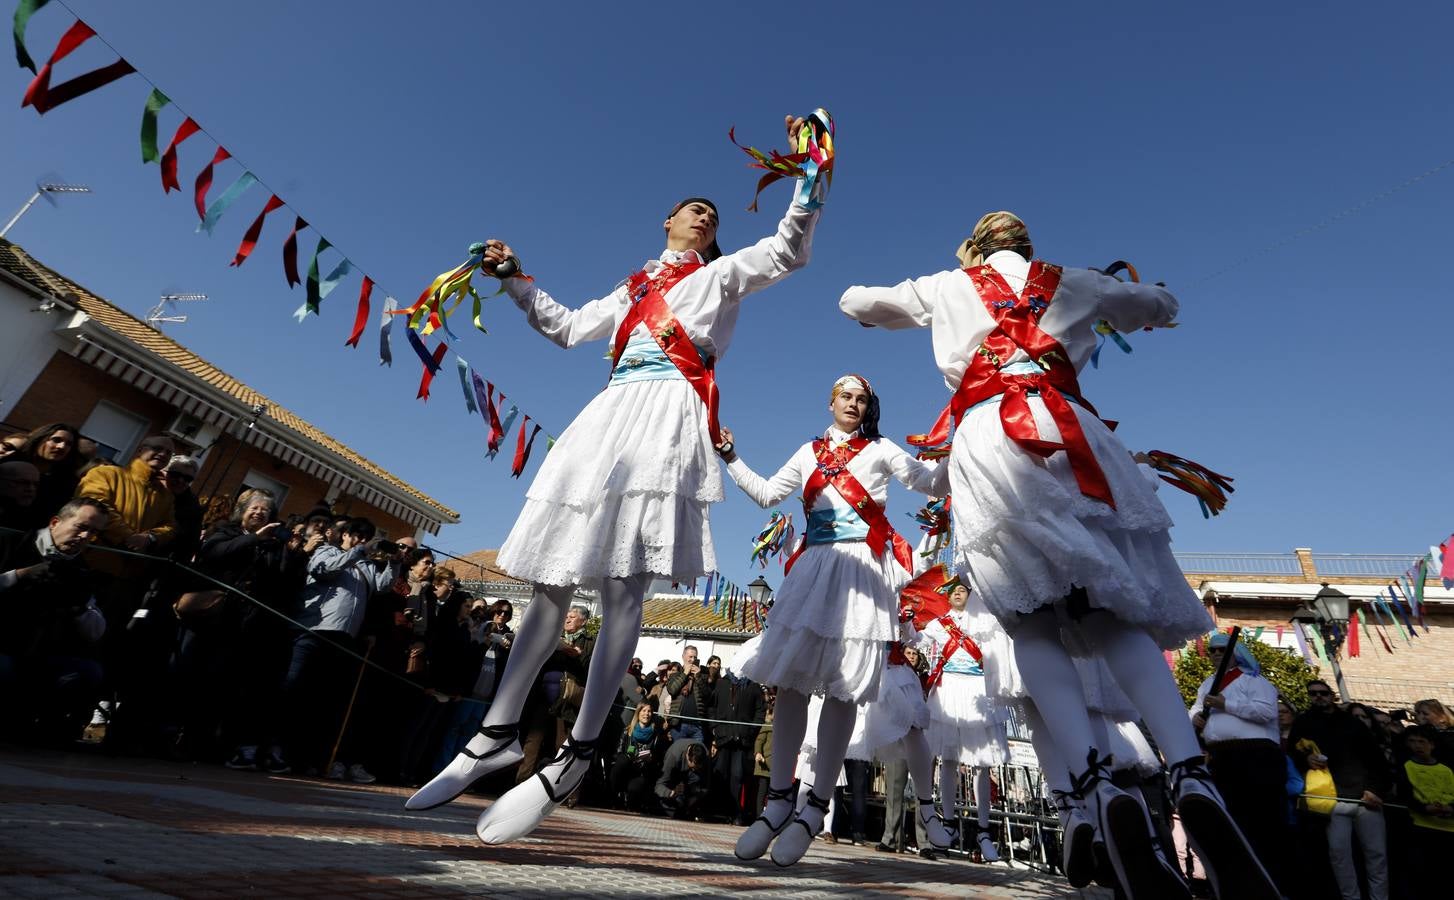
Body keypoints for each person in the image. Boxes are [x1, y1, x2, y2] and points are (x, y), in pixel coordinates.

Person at [411, 115, 828, 847]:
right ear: (667, 220)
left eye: (714, 214)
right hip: (609, 412)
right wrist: (513, 278)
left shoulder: (721, 278)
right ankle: (499, 729)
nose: (704, 215)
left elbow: (788, 250)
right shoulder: (633, 286)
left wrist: (812, 183)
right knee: (550, 571)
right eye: (693, 207)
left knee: (625, 581)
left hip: (667, 412)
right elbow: (569, 327)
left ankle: (580, 747)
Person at [839, 211, 1272, 899]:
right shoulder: (1072, 281)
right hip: (1069, 428)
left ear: (977, 247)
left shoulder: (948, 285)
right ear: (1027, 245)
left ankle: (1094, 781)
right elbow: (1162, 305)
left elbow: (856, 300)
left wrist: (907, 303)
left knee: (1030, 616)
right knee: (1109, 607)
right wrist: (1144, 295)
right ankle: (1188, 771)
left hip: (990, 438)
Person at [717, 374, 946, 866]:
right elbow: (764, 494)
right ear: (831, 401)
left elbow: (929, 482)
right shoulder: (807, 452)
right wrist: (731, 456)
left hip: (863, 570)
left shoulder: (882, 450)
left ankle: (815, 805)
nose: (854, 404)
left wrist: (964, 445)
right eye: (847, 396)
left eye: (862, 399)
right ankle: (779, 800)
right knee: (792, 683)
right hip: (814, 567)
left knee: (844, 688)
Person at [282, 517, 400, 782]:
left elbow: (383, 586)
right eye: (356, 535)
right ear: (344, 534)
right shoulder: (327, 550)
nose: (360, 541)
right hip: (315, 630)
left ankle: (309, 757)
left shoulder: (365, 564)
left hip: (345, 638)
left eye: (364, 537)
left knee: (325, 700)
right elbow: (323, 570)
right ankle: (280, 749)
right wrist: (356, 553)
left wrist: (395, 561)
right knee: (296, 691)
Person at [1188, 632, 1291, 896]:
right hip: (1222, 759)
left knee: (1263, 823)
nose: (1217, 655)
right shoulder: (1207, 684)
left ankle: (1275, 883)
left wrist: (1226, 704)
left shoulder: (1255, 681)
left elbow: (1266, 711)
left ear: (1236, 652)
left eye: (1222, 650)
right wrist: (1196, 718)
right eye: (1212, 651)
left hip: (1256, 758)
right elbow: (1195, 710)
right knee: (1230, 822)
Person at [0, 498, 110, 741]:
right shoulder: (12, 543)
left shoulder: (80, 569)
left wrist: (78, 606)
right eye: (80, 527)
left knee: (87, 671)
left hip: (38, 651)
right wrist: (18, 576)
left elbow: (95, 630)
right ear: (55, 522)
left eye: (93, 533)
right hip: (5, 644)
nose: (85, 537)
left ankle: (46, 731)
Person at [919, 580, 1010, 863]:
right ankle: (948, 822)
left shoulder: (985, 622)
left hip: (977, 690)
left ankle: (984, 830)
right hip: (948, 690)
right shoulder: (939, 623)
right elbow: (916, 639)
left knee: (983, 763)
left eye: (962, 590)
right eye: (953, 590)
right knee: (947, 759)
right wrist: (907, 620)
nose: (957, 593)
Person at [1288, 678, 1391, 900]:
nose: (1318, 697)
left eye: (1323, 693)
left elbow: (1375, 759)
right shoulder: (1303, 722)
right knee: (1339, 855)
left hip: (1365, 797)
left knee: (1376, 854)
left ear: (1331, 695)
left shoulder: (1353, 723)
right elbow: (1292, 752)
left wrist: (1374, 789)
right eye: (1313, 693)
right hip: (1331, 798)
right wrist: (1306, 758)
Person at [1396, 725, 1454, 898]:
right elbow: (1405, 795)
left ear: (1432, 744)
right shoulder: (1406, 766)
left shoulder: (1446, 769)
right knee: (1424, 876)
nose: (1417, 746)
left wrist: (1450, 808)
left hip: (1448, 827)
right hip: (1421, 827)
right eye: (1412, 742)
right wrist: (1423, 808)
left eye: (1422, 742)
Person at [15, 423, 86, 527]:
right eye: (56, 440)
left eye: (69, 444)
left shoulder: (67, 483)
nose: (62, 447)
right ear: (40, 439)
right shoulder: (11, 465)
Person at [611, 703, 666, 811]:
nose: (647, 714)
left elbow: (658, 760)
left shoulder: (656, 735)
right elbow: (618, 753)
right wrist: (628, 757)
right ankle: (613, 796)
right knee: (622, 761)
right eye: (644, 711)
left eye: (649, 711)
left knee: (635, 792)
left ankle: (630, 802)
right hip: (625, 769)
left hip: (640, 772)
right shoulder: (628, 731)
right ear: (638, 713)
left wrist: (651, 759)